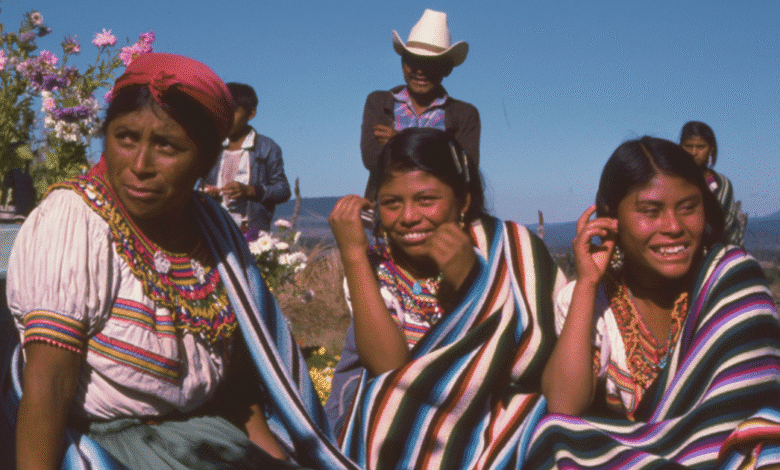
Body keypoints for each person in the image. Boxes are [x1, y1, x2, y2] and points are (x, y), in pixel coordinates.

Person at [4, 53, 355, 470]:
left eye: (167, 146)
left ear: (205, 160)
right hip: (111, 447)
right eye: (125, 138)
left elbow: (238, 381)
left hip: (205, 438)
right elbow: (49, 384)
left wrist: (275, 458)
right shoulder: (74, 220)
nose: (139, 166)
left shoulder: (211, 228)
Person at [528, 136, 780, 468]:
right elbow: (562, 409)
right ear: (610, 216)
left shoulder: (731, 283)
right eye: (651, 211)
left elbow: (760, 405)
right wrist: (588, 282)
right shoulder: (594, 303)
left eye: (689, 207)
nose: (674, 227)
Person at [327, 127, 567, 469]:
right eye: (392, 203)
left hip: (503, 422)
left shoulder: (509, 250)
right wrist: (353, 254)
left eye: (427, 199)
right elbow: (391, 376)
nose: (409, 217)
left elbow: (533, 364)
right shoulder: (375, 270)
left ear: (463, 201)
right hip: (404, 433)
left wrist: (472, 282)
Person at [361, 9, 480, 200]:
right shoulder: (378, 102)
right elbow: (372, 159)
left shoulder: (465, 114)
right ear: (402, 64)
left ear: (446, 69)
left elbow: (466, 170)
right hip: (386, 211)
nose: (419, 71)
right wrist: (436, 154)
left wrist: (398, 141)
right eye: (413, 61)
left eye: (430, 63)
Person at [202, 82, 291, 237]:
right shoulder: (212, 146)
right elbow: (200, 184)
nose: (226, 118)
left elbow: (283, 190)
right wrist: (207, 193)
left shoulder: (267, 147)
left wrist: (250, 190)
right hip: (214, 227)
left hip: (252, 232)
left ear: (251, 114)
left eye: (233, 112)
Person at [680, 121, 745, 247]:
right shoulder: (672, 181)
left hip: (717, 251)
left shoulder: (721, 184)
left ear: (711, 149)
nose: (694, 152)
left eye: (700, 147)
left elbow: (729, 226)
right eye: (688, 146)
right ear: (680, 147)